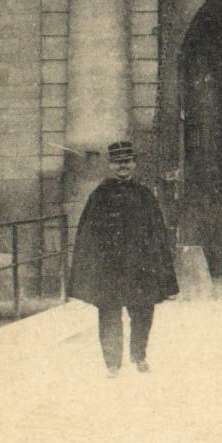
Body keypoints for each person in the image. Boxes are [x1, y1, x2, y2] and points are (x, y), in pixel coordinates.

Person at [68, 140, 179, 376]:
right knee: (109, 313)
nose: (123, 167)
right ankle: (112, 364)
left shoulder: (145, 195)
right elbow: (87, 235)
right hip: (109, 268)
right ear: (110, 165)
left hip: (140, 268)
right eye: (118, 162)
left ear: (134, 164)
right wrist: (91, 268)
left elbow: (158, 234)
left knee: (143, 312)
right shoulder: (99, 196)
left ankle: (139, 356)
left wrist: (159, 268)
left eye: (127, 162)